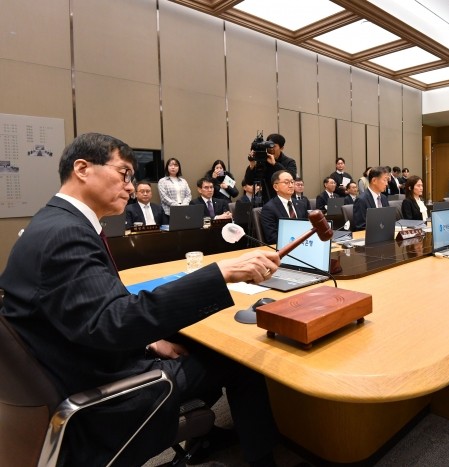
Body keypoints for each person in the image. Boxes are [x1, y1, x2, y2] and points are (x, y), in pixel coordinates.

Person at [0, 133, 282, 467]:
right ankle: (264, 460)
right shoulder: (67, 234)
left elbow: (93, 317)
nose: (131, 187)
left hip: (76, 362)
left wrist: (150, 339)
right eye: (124, 174)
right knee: (241, 360)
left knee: (194, 345)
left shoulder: (53, 222)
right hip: (104, 388)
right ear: (82, 168)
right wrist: (218, 274)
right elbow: (114, 324)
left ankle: (204, 434)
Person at [243, 133, 297, 204]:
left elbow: (291, 176)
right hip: (267, 201)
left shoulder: (289, 162)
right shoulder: (263, 161)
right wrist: (252, 164)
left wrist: (275, 164)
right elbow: (248, 181)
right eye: (268, 146)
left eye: (273, 146)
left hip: (285, 200)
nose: (271, 149)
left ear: (282, 148)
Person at [260, 170, 308, 244]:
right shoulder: (269, 208)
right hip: (283, 249)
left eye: (292, 182)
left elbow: (307, 228)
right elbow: (272, 237)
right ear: (276, 187)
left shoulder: (301, 205)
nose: (291, 185)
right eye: (286, 182)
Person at [158, 157, 192, 221]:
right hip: (169, 212)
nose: (173, 167)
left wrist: (184, 205)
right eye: (170, 165)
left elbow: (188, 195)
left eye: (175, 165)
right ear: (167, 167)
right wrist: (177, 206)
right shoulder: (162, 181)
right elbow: (164, 198)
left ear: (179, 168)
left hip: (183, 210)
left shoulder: (183, 181)